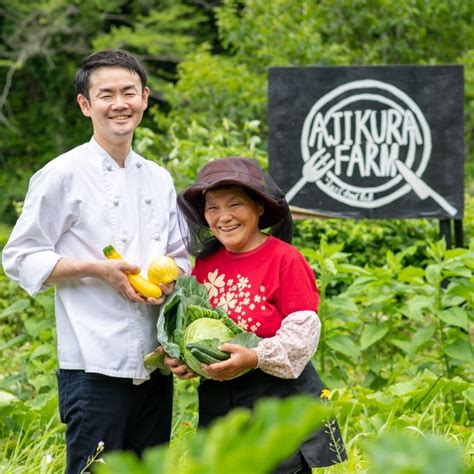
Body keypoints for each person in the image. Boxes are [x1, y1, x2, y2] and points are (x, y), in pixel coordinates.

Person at [2, 49, 190, 473]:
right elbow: (20, 256)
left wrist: (173, 280)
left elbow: (181, 256)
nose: (119, 103)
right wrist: (95, 269)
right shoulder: (62, 174)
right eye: (106, 94)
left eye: (129, 92)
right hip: (92, 364)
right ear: (86, 105)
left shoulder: (158, 177)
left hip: (154, 362)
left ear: (144, 97)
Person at [166, 156, 347, 473]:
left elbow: (302, 338)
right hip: (223, 403)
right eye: (213, 208)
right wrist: (187, 359)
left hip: (278, 400)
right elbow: (200, 329)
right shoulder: (206, 264)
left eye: (235, 205)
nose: (224, 217)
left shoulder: (285, 259)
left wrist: (253, 356)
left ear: (259, 207)